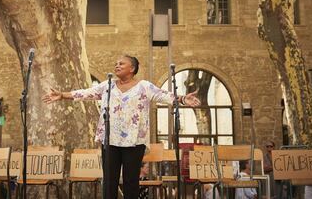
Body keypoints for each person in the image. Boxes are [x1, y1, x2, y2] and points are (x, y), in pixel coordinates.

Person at [43, 55, 200, 199]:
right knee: (109, 181)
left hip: (134, 141)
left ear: (132, 68)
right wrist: (63, 95)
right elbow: (87, 93)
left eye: (121, 64)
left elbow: (164, 95)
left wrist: (184, 99)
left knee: (131, 181)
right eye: (116, 64)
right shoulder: (108, 85)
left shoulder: (144, 86)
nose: (117, 66)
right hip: (110, 139)